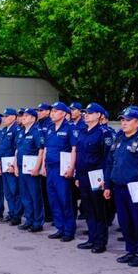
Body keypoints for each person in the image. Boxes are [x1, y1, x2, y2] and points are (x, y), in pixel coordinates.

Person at [103, 106, 138, 267]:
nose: (124, 123)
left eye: (128, 120)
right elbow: (110, 163)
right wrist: (107, 185)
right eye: (122, 120)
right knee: (124, 222)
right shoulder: (118, 140)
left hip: (136, 188)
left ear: (137, 122)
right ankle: (131, 250)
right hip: (119, 188)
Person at [74, 103, 114, 253]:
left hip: (97, 175)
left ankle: (100, 241)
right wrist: (77, 175)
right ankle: (91, 238)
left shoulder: (104, 133)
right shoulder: (83, 132)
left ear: (98, 115)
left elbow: (107, 158)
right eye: (85, 113)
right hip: (83, 175)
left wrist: (106, 179)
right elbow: (79, 155)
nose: (86, 115)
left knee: (99, 210)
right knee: (88, 208)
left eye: (90, 113)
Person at [43, 102, 78, 241]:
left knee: (64, 199)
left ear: (63, 113)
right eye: (52, 111)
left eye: (56, 111)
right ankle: (60, 227)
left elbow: (74, 149)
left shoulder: (70, 128)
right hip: (50, 168)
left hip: (62, 168)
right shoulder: (50, 128)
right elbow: (46, 147)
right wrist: (43, 166)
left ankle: (69, 230)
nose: (52, 113)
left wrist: (71, 167)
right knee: (53, 199)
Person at [14, 108, 45, 232]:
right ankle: (29, 219)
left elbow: (41, 150)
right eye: (23, 116)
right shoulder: (21, 131)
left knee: (35, 195)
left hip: (32, 168)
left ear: (33, 118)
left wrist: (37, 168)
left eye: (26, 116)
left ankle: (37, 222)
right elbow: (17, 150)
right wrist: (15, 166)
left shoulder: (37, 131)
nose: (23, 117)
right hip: (21, 167)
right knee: (25, 195)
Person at [0, 108, 22, 226]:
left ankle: (17, 215)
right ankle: (11, 212)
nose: (4, 118)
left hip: (11, 164)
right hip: (3, 163)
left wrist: (14, 165)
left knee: (14, 191)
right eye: (3, 116)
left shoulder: (16, 130)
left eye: (6, 116)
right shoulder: (3, 130)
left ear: (13, 117)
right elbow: (1, 149)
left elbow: (16, 149)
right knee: (7, 192)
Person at [36, 103, 54, 224]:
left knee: (49, 192)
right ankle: (47, 213)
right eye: (38, 110)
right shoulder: (39, 123)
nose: (39, 112)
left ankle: (51, 215)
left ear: (48, 111)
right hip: (39, 160)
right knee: (42, 190)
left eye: (41, 110)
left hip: (48, 162)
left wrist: (43, 165)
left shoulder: (50, 124)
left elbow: (45, 146)